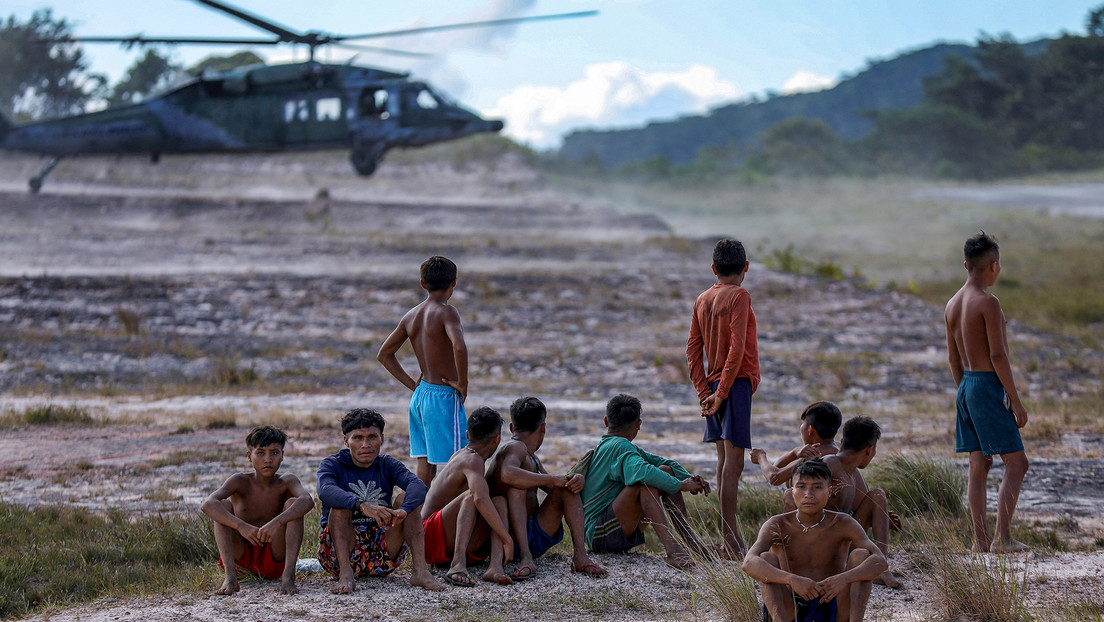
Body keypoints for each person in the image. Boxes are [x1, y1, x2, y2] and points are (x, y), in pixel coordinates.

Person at [944, 230, 1030, 554]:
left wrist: (965, 395)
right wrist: (1015, 401)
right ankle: (1001, 539)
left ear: (966, 265)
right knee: (1017, 463)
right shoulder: (989, 303)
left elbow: (953, 359)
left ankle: (979, 541)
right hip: (986, 385)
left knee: (978, 463)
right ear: (994, 266)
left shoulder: (952, 304)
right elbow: (998, 355)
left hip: (966, 384)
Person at [742, 458, 887, 622]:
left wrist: (845, 578)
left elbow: (880, 561)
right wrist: (791, 579)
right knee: (765, 558)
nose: (808, 494)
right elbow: (749, 563)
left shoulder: (843, 523)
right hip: (791, 608)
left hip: (834, 603)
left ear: (829, 491)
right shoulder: (777, 524)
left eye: (817, 487)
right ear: (792, 491)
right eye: (801, 487)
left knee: (861, 555)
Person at [315, 408, 444, 593]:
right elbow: (325, 490)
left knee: (407, 499)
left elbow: (417, 486)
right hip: (340, 553)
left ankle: (420, 571)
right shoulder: (332, 464)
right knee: (340, 507)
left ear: (382, 439)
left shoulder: (387, 464)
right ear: (346, 441)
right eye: (358, 438)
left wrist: (404, 510)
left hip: (382, 553)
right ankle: (346, 574)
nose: (365, 444)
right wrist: (361, 505)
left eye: (372, 437)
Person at [686, 238, 760, 558]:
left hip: (716, 386)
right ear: (746, 267)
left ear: (714, 269)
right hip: (734, 384)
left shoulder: (702, 299)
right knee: (734, 463)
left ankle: (725, 539)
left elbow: (692, 351)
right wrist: (722, 393)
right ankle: (730, 541)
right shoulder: (739, 295)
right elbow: (737, 347)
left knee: (723, 462)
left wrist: (706, 391)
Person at [580, 394, 711, 569]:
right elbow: (643, 472)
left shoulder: (615, 445)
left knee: (664, 471)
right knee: (645, 484)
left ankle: (690, 543)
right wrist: (682, 485)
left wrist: (688, 478)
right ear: (639, 424)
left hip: (608, 532)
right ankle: (673, 550)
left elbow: (665, 464)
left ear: (606, 421)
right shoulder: (620, 447)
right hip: (599, 534)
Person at [487, 396, 608, 581]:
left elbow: (555, 487)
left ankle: (580, 555)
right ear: (543, 428)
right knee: (517, 486)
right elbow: (508, 474)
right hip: (507, 537)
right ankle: (526, 557)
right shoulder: (515, 447)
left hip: (533, 532)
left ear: (511, 427)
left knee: (566, 488)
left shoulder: (532, 457)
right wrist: (554, 478)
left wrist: (575, 480)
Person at [378, 255, 468, 486]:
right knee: (460, 460)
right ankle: (454, 507)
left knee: (425, 463)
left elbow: (384, 354)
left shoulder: (411, 315)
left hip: (420, 397)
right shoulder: (447, 312)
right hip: (443, 396)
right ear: (454, 282)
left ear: (422, 283)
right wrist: (463, 383)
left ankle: (421, 508)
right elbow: (459, 346)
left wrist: (413, 385)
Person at [201, 425, 315, 596]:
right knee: (222, 505)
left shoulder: (287, 481)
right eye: (261, 453)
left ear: (282, 455)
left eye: (274, 452)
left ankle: (288, 577)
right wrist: (241, 526)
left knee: (294, 504)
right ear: (249, 456)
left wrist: (277, 522)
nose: (268, 459)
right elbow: (208, 504)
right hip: (240, 559)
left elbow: (307, 501)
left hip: (274, 558)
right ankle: (230, 577)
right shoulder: (240, 481)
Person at [421, 406, 515, 587]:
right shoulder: (472, 460)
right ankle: (457, 563)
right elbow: (479, 499)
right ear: (497, 439)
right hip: (428, 538)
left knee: (499, 502)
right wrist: (507, 538)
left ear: (467, 434)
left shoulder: (465, 454)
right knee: (472, 497)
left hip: (446, 535)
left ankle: (495, 567)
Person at [821, 416, 902, 589]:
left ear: (842, 442)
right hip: (823, 541)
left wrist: (883, 519)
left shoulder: (854, 474)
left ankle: (879, 566)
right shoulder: (830, 463)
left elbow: (865, 509)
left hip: (844, 539)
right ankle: (874, 566)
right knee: (877, 496)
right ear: (870, 450)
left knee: (877, 496)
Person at [751, 401, 842, 487]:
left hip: (826, 498)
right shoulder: (838, 446)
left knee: (790, 490)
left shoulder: (815, 453)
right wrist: (794, 452)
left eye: (803, 423)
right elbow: (777, 466)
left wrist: (760, 457)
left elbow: (775, 477)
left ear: (810, 430)